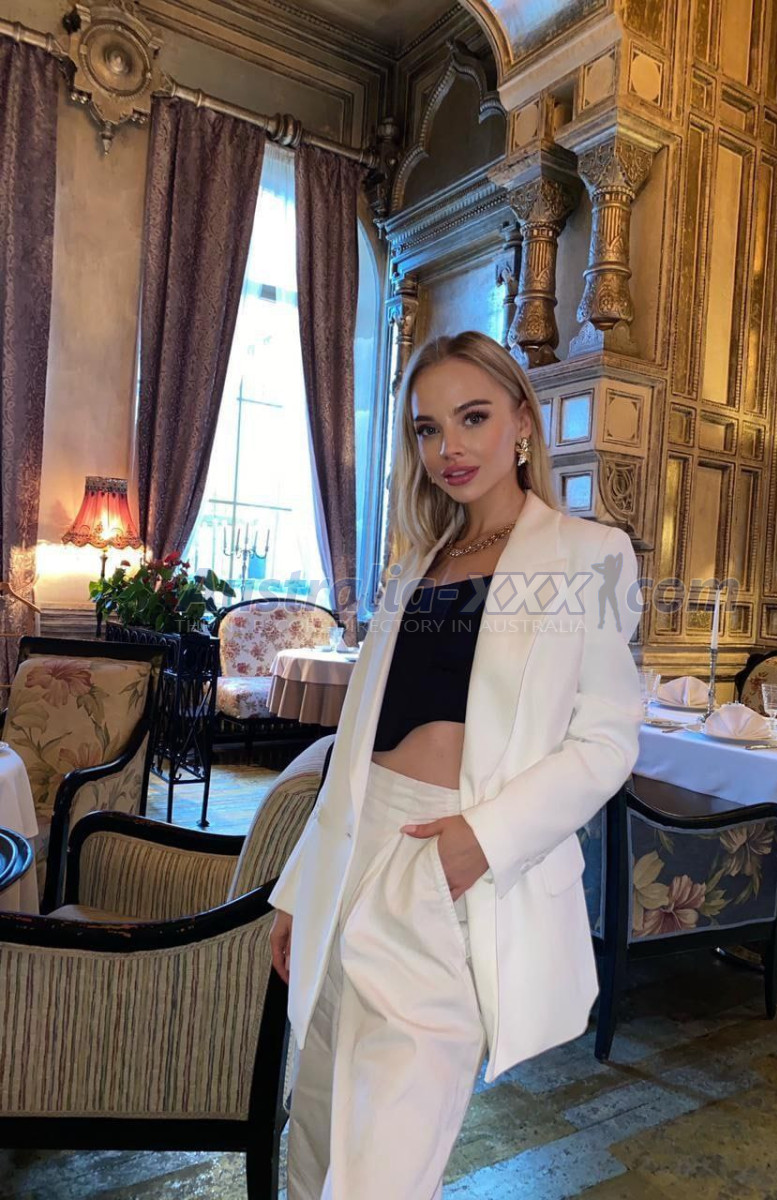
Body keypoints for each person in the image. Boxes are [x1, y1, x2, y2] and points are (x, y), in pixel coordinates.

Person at [268, 330, 643, 1199]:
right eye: (428, 429)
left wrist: (480, 841)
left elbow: (608, 740)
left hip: (451, 865)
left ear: (523, 421)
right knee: (315, 1130)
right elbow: (355, 746)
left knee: (385, 1166)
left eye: (473, 418)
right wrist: (299, 887)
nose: (450, 448)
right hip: (352, 857)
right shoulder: (415, 565)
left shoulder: (590, 556)